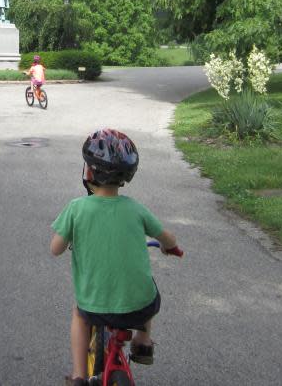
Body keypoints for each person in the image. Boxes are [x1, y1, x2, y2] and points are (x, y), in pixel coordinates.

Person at [50, 128, 182, 386]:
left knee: (79, 314)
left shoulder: (76, 209)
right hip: (137, 307)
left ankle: (78, 376)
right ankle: (142, 343)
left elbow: (55, 248)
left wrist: (68, 239)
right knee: (148, 291)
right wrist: (170, 247)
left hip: (94, 307)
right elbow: (170, 239)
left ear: (89, 172)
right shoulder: (136, 209)